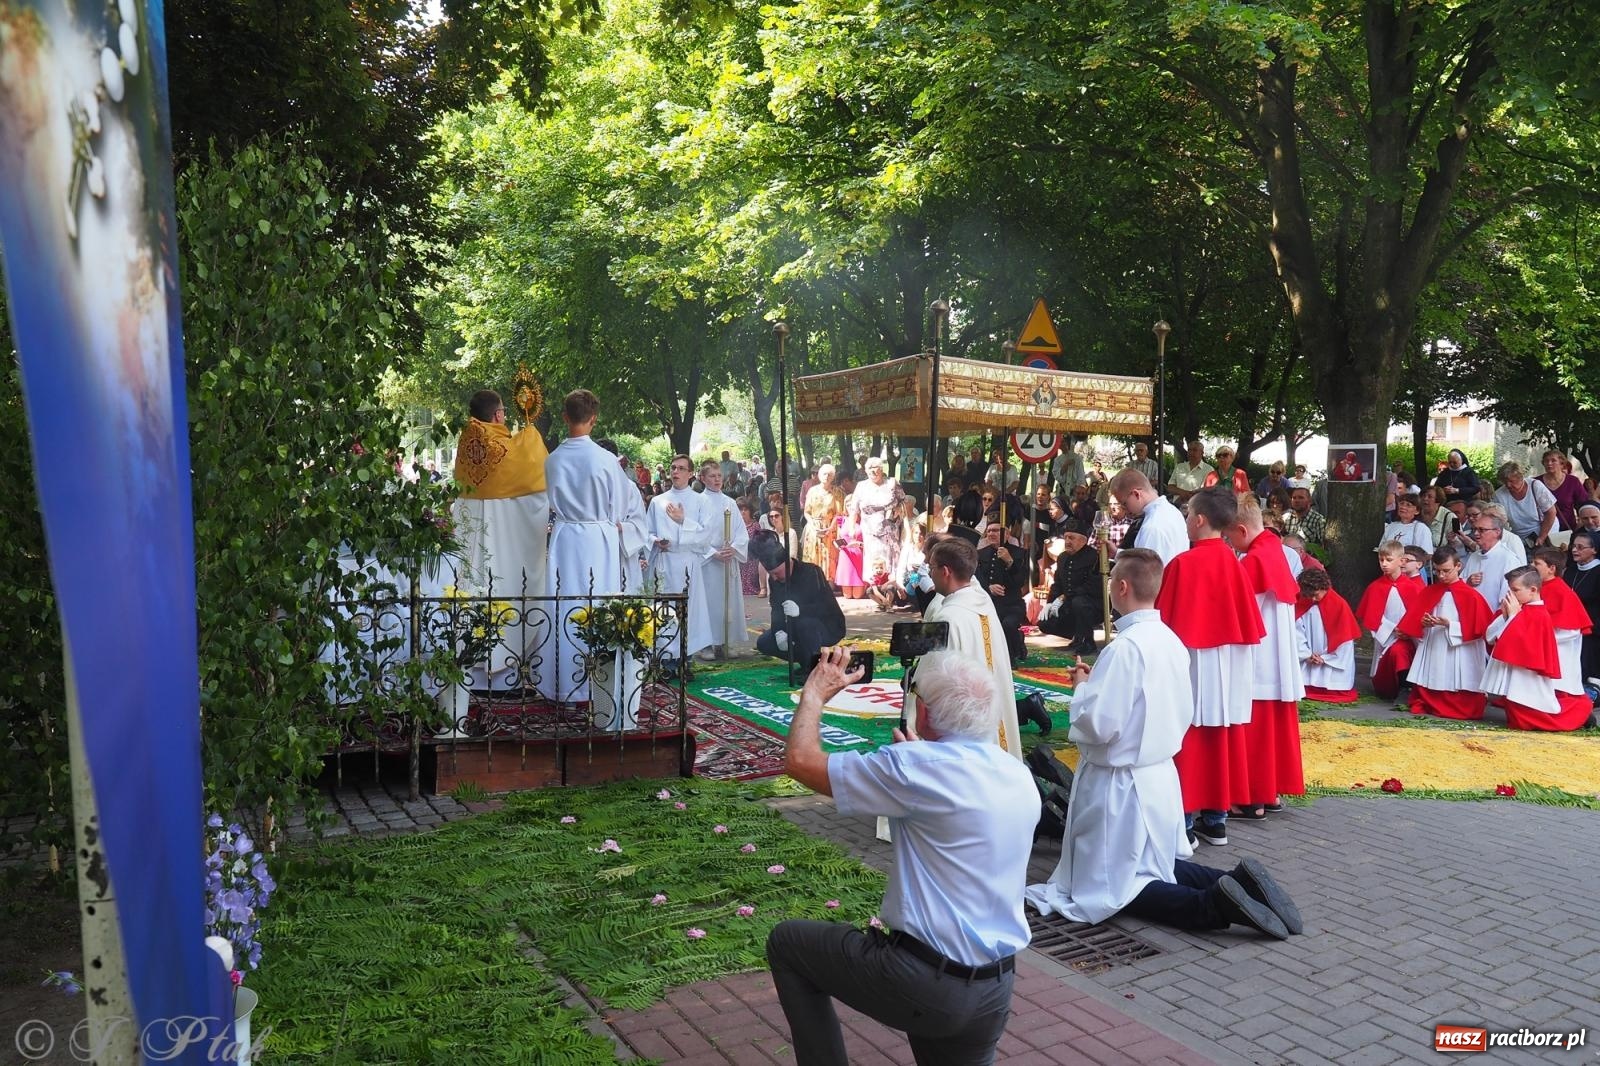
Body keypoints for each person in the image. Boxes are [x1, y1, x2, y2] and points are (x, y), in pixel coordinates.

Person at [766, 647, 1039, 1066]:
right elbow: (947, 800)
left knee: (788, 943)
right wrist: (917, 758)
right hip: (994, 983)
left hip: (925, 981)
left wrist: (814, 697)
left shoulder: (914, 770)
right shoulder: (1016, 774)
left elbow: (800, 762)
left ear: (924, 714)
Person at [1026, 550, 1301, 940]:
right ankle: (1235, 880)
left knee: (1112, 885)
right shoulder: (1170, 638)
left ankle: (1213, 906)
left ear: (1120, 587)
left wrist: (1083, 690)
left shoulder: (1124, 649)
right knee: (1151, 863)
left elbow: (1100, 725)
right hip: (1158, 775)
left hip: (1119, 782)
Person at [1157, 487, 1264, 847]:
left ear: (1199, 520)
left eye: (1188, 515)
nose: (1186, 521)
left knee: (1185, 736)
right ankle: (1216, 820)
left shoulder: (1182, 564)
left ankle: (1185, 822)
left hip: (1191, 660)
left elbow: (1164, 624)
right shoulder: (1235, 563)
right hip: (1228, 666)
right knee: (1219, 739)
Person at [542, 389, 650, 703]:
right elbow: (619, 508)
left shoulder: (552, 460)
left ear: (565, 417)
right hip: (598, 538)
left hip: (564, 539)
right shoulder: (606, 460)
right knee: (597, 604)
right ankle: (599, 682)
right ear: (594, 419)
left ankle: (564, 683)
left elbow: (550, 500)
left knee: (565, 605)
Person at [1224, 496, 1305, 820]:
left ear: (1242, 530)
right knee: (1270, 731)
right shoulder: (1275, 551)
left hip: (1257, 657)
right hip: (1277, 658)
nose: (1230, 543)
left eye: (1231, 537)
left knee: (1254, 731)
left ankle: (1251, 799)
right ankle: (1268, 792)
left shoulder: (1253, 561)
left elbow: (1241, 611)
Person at [923, 537, 1031, 754]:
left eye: (931, 568)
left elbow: (928, 677)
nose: (929, 573)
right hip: (986, 710)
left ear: (945, 571)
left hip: (960, 724)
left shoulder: (946, 617)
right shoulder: (983, 600)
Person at [451, 389, 550, 600]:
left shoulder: (465, 446)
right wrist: (531, 433)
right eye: (503, 411)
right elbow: (534, 463)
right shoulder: (505, 449)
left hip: (472, 523)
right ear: (497, 415)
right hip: (502, 536)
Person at [1398, 546, 1493, 719]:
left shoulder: (1472, 596)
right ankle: (1430, 700)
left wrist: (1450, 624)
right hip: (1435, 642)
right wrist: (1423, 622)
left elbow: (1478, 630)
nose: (1441, 576)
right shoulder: (1430, 591)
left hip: (1460, 648)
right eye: (1437, 571)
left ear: (1458, 566)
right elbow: (1414, 620)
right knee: (1434, 673)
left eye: (1446, 571)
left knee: (1458, 676)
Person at [647, 455, 714, 660]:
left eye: (681, 468)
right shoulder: (658, 502)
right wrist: (655, 540)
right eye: (673, 468)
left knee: (688, 610)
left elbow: (706, 535)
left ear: (691, 473)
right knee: (663, 609)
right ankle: (664, 655)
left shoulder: (701, 500)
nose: (676, 472)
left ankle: (685, 656)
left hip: (687, 561)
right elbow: (646, 531)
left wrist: (683, 520)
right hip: (664, 560)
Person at [749, 530, 845, 672]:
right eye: (771, 574)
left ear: (787, 563)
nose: (774, 578)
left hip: (825, 626)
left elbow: (827, 608)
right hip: (793, 627)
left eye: (777, 573)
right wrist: (778, 631)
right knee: (764, 642)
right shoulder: (774, 580)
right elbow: (776, 609)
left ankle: (812, 668)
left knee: (805, 624)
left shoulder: (812, 572)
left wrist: (801, 610)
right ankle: (809, 658)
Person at [1482, 567, 1566, 730]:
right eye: (1510, 590)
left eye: (1515, 590)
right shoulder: (1518, 608)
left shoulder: (1540, 615)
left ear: (1533, 590)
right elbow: (1490, 637)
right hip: (1515, 679)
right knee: (1517, 717)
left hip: (1528, 678)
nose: (1511, 595)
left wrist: (1513, 617)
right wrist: (1507, 616)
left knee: (1533, 718)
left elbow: (1524, 648)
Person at [1529, 548, 1596, 729]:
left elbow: (1572, 630)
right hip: (1541, 649)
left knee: (1559, 692)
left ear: (1551, 568)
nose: (1532, 566)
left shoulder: (1563, 592)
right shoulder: (1537, 588)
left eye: (1537, 563)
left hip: (1560, 652)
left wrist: (1544, 638)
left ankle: (1580, 715)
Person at [697, 460, 750, 660]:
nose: (717, 479)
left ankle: (727, 641)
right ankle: (707, 644)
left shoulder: (730, 502)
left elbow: (740, 531)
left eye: (719, 476)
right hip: (709, 562)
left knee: (728, 602)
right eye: (712, 476)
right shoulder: (698, 502)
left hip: (728, 558)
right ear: (702, 478)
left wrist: (733, 548)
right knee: (709, 602)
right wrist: (712, 552)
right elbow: (696, 534)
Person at [1356, 542, 1420, 701]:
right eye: (1381, 559)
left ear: (1402, 561)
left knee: (1400, 652)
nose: (1384, 564)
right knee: (1394, 653)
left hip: (1408, 637)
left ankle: (1405, 687)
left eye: (1389, 560)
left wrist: (1407, 630)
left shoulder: (1413, 587)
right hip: (1386, 636)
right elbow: (1373, 616)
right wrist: (1393, 629)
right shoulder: (1375, 587)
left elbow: (1417, 613)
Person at [1037, 519, 1102, 655]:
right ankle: (1076, 637)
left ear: (1083, 540)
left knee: (1079, 603)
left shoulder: (1094, 557)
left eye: (1071, 538)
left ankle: (1088, 642)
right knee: (1044, 623)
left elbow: (1093, 585)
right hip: (1069, 604)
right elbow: (1058, 584)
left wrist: (1065, 596)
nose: (1067, 541)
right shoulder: (1062, 557)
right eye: (1066, 537)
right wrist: (1049, 603)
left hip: (1092, 604)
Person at [1294, 568, 1359, 702]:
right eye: (1309, 595)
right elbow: (1297, 632)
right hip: (1309, 657)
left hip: (1330, 659)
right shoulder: (1304, 602)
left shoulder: (1340, 605)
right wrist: (1306, 655)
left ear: (1324, 587)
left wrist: (1325, 659)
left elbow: (1345, 639)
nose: (1312, 598)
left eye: (1316, 594)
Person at [976, 521, 1030, 667]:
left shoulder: (1019, 553)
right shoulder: (980, 554)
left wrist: (1010, 562)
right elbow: (976, 578)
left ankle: (1009, 657)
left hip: (1012, 604)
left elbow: (1020, 581)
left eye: (996, 530)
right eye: (989, 531)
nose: (991, 534)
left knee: (1008, 624)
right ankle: (1014, 643)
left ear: (1006, 534)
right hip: (990, 603)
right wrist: (989, 588)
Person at [1108, 468, 1188, 565]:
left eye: (1124, 503)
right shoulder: (1173, 511)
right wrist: (1117, 553)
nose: (1125, 509)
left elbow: (1144, 574)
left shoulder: (1152, 527)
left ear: (1136, 494)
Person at [1493, 461, 1557, 549]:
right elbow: (1497, 521)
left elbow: (1551, 512)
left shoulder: (1535, 486)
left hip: (1546, 531)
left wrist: (1542, 537)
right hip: (1521, 537)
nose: (1508, 485)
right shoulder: (1499, 495)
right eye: (1505, 482)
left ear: (1521, 477)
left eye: (1512, 481)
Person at [1461, 511, 1516, 609]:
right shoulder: (1474, 556)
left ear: (1497, 532)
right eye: (1474, 529)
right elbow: (1460, 584)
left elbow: (1508, 598)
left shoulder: (1508, 559)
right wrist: (1467, 582)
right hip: (1472, 614)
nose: (1476, 534)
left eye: (1482, 530)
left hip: (1494, 617)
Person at [801, 464, 847, 576]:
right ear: (819, 475)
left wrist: (830, 528)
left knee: (830, 556)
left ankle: (829, 584)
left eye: (829, 474)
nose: (826, 476)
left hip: (830, 527)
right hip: (814, 527)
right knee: (812, 556)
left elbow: (839, 513)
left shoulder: (838, 492)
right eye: (824, 474)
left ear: (833, 477)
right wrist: (812, 525)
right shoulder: (812, 491)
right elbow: (806, 512)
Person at [1539, 450, 1588, 531]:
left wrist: (1581, 523)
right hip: (1544, 531)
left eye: (1553, 460)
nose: (1549, 463)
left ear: (1562, 464)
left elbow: (1584, 504)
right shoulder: (1536, 482)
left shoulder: (1572, 481)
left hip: (1568, 529)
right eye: (1546, 461)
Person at [737, 499, 764, 596]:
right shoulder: (735, 525)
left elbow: (760, 542)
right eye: (741, 509)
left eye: (745, 509)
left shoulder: (755, 525)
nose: (743, 512)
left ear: (750, 511)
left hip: (752, 556)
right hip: (739, 554)